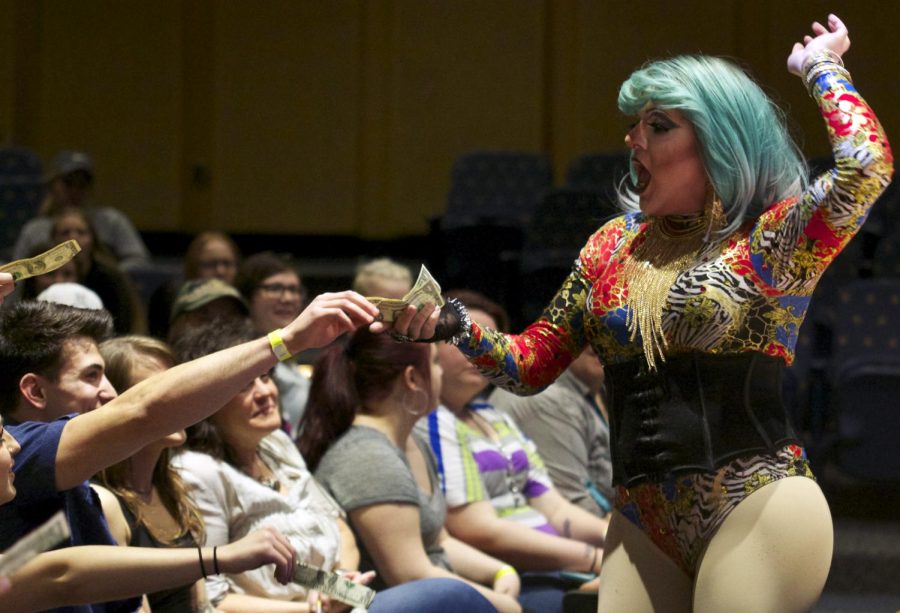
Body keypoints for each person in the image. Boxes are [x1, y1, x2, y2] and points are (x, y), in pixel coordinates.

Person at [396, 14, 893, 613]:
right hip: (639, 519)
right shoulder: (611, 244)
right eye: (634, 125)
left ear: (720, 139)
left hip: (757, 503)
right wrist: (457, 326)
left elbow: (867, 166)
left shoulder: (773, 240)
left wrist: (821, 68)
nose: (634, 139)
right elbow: (529, 366)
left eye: (658, 126)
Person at [0, 287, 383, 612]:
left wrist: (339, 589)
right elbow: (64, 575)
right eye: (91, 376)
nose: (110, 394)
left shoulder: (262, 453)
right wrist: (285, 341)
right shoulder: (37, 461)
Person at [171, 319, 495, 613]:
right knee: (449, 597)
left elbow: (339, 527)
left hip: (340, 604)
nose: (265, 392)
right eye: (244, 385)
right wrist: (314, 611)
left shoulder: (275, 445)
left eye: (266, 376)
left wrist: (337, 590)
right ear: (207, 397)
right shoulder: (199, 471)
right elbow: (211, 601)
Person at [299, 328, 522, 613]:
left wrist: (501, 571)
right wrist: (505, 605)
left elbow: (439, 541)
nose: (440, 374)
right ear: (413, 379)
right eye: (437, 363)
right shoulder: (367, 456)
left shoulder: (411, 441)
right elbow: (410, 575)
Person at [417, 292, 607, 613]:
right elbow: (481, 531)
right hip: (513, 574)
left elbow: (555, 507)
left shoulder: (492, 415)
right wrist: (593, 558)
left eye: (488, 340)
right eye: (463, 338)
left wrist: (611, 538)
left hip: (558, 566)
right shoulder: (433, 421)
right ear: (431, 350)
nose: (477, 350)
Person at [93, 336, 211, 612]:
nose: (179, 398)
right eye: (159, 390)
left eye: (179, 385)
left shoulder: (174, 486)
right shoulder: (105, 504)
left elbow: (203, 606)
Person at [490, 345, 613, 518]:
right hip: (565, 530)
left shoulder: (598, 388)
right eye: (587, 330)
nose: (599, 342)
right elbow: (574, 502)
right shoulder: (549, 397)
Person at [12, 150, 151, 271]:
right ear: (52, 185)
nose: (75, 191)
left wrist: (104, 275)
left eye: (82, 185)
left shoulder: (111, 220)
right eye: (69, 183)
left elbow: (138, 261)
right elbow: (17, 275)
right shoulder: (34, 230)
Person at [236, 251, 311, 436]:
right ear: (248, 297)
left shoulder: (291, 357)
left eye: (294, 290)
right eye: (275, 288)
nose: (287, 298)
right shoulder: (239, 355)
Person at [50, 207, 145, 334]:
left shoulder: (110, 278)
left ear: (92, 239)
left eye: (81, 233)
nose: (73, 238)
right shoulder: (43, 275)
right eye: (65, 233)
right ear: (53, 240)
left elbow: (122, 326)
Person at [148, 231, 242, 339]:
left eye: (227, 263)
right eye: (210, 264)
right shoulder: (169, 297)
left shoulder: (246, 297)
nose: (220, 271)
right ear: (193, 267)